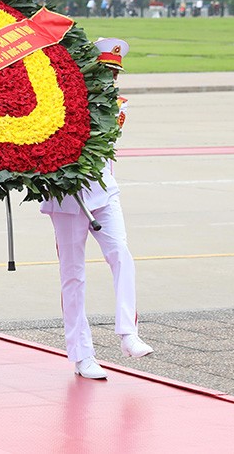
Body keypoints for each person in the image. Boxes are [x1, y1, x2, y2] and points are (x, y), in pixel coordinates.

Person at [41, 37, 153, 380]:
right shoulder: (64, 102)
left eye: (115, 74)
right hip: (67, 199)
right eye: (105, 72)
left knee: (121, 254)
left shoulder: (118, 106)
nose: (111, 80)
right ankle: (81, 354)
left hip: (104, 192)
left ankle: (127, 333)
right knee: (73, 276)